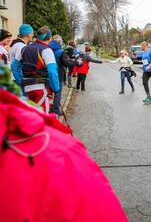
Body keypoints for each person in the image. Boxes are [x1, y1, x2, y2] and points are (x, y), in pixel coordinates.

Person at [0, 87, 128, 221]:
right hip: (41, 90)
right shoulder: (59, 153)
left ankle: (79, 87)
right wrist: (56, 88)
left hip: (27, 87)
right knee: (43, 109)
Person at [11, 26, 59, 114]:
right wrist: (56, 89)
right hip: (41, 89)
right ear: (50, 38)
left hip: (27, 89)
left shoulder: (25, 48)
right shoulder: (47, 50)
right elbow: (52, 72)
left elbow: (14, 65)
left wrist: (20, 81)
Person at [49, 35, 82, 114]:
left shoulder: (47, 49)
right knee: (58, 92)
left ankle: (51, 106)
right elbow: (66, 63)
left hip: (47, 73)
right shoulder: (61, 51)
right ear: (59, 42)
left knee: (49, 92)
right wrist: (77, 62)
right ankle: (56, 108)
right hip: (58, 74)